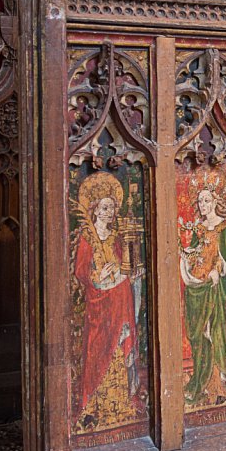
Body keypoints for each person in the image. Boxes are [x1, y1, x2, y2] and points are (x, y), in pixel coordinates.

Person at [71, 171, 141, 428]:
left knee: (119, 347)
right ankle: (93, 404)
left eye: (112, 207)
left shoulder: (116, 238)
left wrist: (131, 274)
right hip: (99, 302)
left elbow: (125, 265)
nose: (110, 212)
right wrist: (97, 274)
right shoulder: (87, 238)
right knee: (98, 349)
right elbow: (81, 271)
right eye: (105, 207)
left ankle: (121, 402)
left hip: (119, 300)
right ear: (96, 210)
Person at [179, 173, 226, 404]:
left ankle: (219, 380)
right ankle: (201, 378)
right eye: (200, 201)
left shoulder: (223, 226)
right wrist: (187, 259)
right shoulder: (198, 229)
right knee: (198, 333)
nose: (203, 205)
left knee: (216, 330)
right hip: (198, 288)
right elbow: (193, 255)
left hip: (214, 288)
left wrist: (217, 269)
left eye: (207, 201)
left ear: (215, 202)